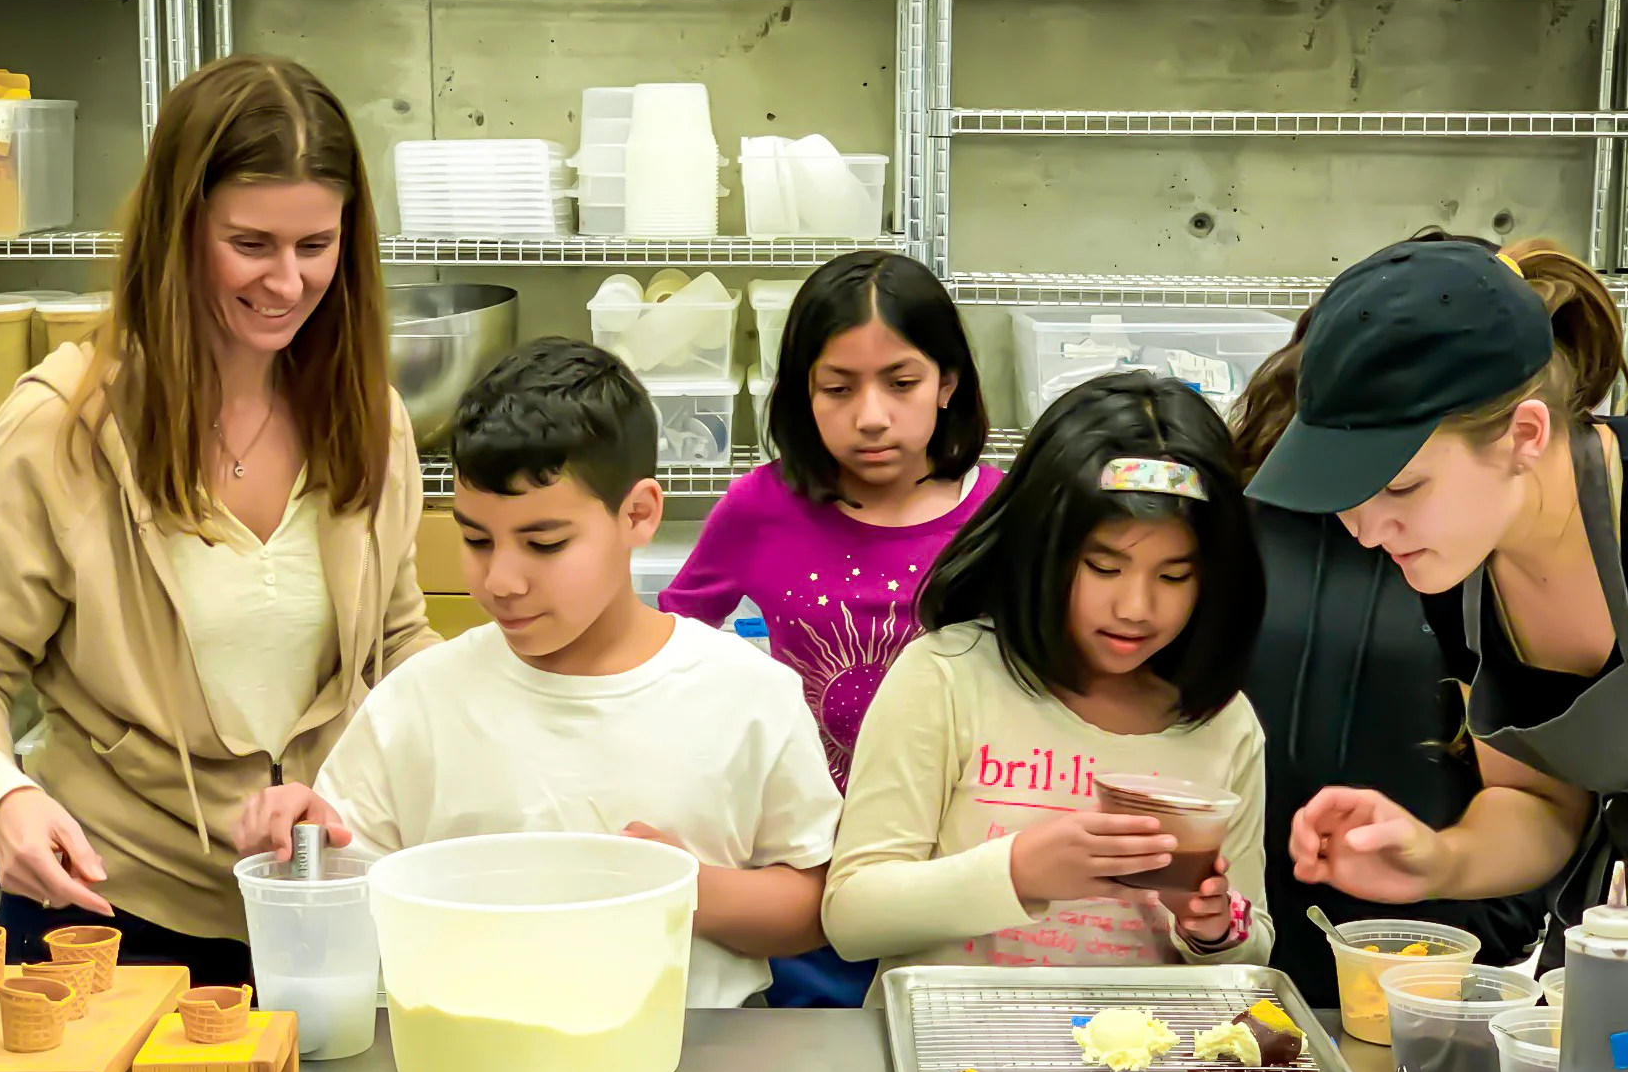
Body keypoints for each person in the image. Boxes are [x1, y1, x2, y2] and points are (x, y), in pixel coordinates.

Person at [0, 54, 435, 984]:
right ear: (178, 229)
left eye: (316, 247)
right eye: (251, 244)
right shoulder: (63, 426)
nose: (286, 282)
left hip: (323, 903)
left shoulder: (369, 420)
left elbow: (395, 648)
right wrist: (4, 796)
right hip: (109, 911)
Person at [1245, 237, 1628, 1054]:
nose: (1369, 531)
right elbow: (1543, 806)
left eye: (1402, 488)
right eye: (1349, 497)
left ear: (1523, 433)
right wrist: (1434, 861)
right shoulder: (1464, 577)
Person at [237, 339, 842, 1009]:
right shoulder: (417, 702)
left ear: (638, 514)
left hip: (692, 1070)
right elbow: (343, 897)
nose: (500, 579)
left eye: (545, 544)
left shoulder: (745, 693)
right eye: (475, 539)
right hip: (462, 1071)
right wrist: (306, 849)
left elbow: (816, 904)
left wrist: (688, 885)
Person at [822, 372, 1274, 984]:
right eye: (1104, 566)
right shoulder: (948, 678)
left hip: (1146, 1068)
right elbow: (851, 915)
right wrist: (1017, 871)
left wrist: (1213, 928)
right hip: (956, 1061)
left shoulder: (1221, 723)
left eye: (1173, 577)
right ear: (1040, 549)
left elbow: (1254, 948)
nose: (1136, 607)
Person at [659, 251, 1001, 1006]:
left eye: (901, 382)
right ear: (802, 395)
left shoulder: (1005, 515)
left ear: (948, 382)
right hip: (802, 870)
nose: (870, 414)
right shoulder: (759, 507)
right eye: (837, 388)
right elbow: (667, 645)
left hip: (947, 874)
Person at [1229, 235, 1550, 1003]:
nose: (1371, 525)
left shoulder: (1493, 560)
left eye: (1403, 488)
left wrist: (1471, 885)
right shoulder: (1259, 518)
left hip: (1429, 937)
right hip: (1251, 928)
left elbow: (1542, 794)